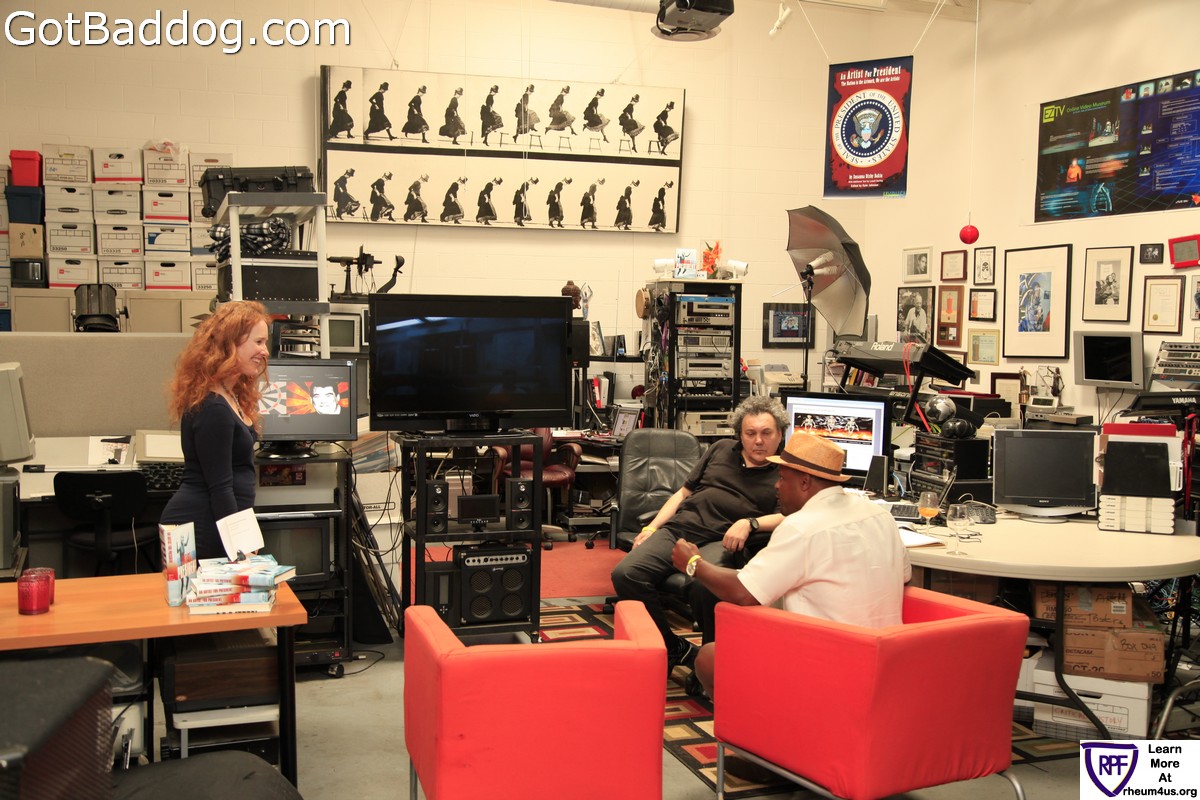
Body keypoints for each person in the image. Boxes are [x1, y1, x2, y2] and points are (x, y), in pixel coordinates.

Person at [670, 431, 911, 697]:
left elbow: (744, 593)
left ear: (805, 482)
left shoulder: (801, 526)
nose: (776, 486)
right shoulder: (879, 515)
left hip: (825, 663)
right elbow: (903, 577)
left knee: (709, 658)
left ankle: (767, 720)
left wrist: (693, 563)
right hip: (888, 660)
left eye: (783, 478)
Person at [610, 396, 788, 672]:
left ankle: (713, 663)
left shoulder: (785, 470)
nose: (758, 441)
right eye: (750, 433)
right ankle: (672, 647)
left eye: (767, 433)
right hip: (679, 530)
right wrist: (652, 527)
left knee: (705, 585)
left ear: (780, 434)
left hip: (721, 540)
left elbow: (787, 515)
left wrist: (751, 522)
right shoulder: (720, 449)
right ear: (740, 435)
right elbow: (683, 493)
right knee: (626, 574)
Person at [160, 301, 272, 560]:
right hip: (203, 524)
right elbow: (220, 487)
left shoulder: (228, 396)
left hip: (219, 520)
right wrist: (240, 543)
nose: (265, 351)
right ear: (230, 343)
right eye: (258, 342)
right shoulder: (214, 407)